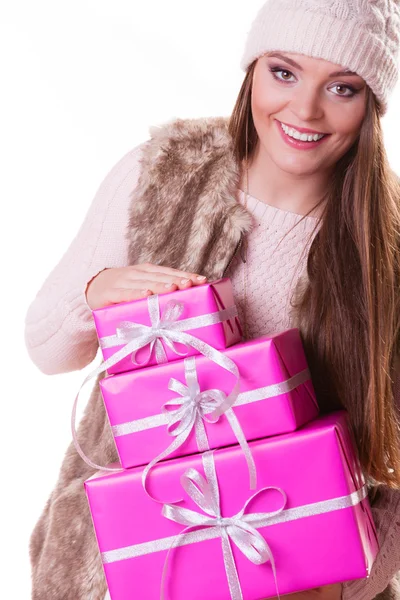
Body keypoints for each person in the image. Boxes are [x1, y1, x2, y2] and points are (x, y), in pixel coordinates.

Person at [24, 0, 400, 599]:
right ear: (252, 68)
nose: (304, 109)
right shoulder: (162, 174)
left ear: (372, 104)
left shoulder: (387, 251)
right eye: (283, 72)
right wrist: (96, 294)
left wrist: (338, 582)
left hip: (298, 584)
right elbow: (44, 351)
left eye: (342, 87)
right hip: (122, 569)